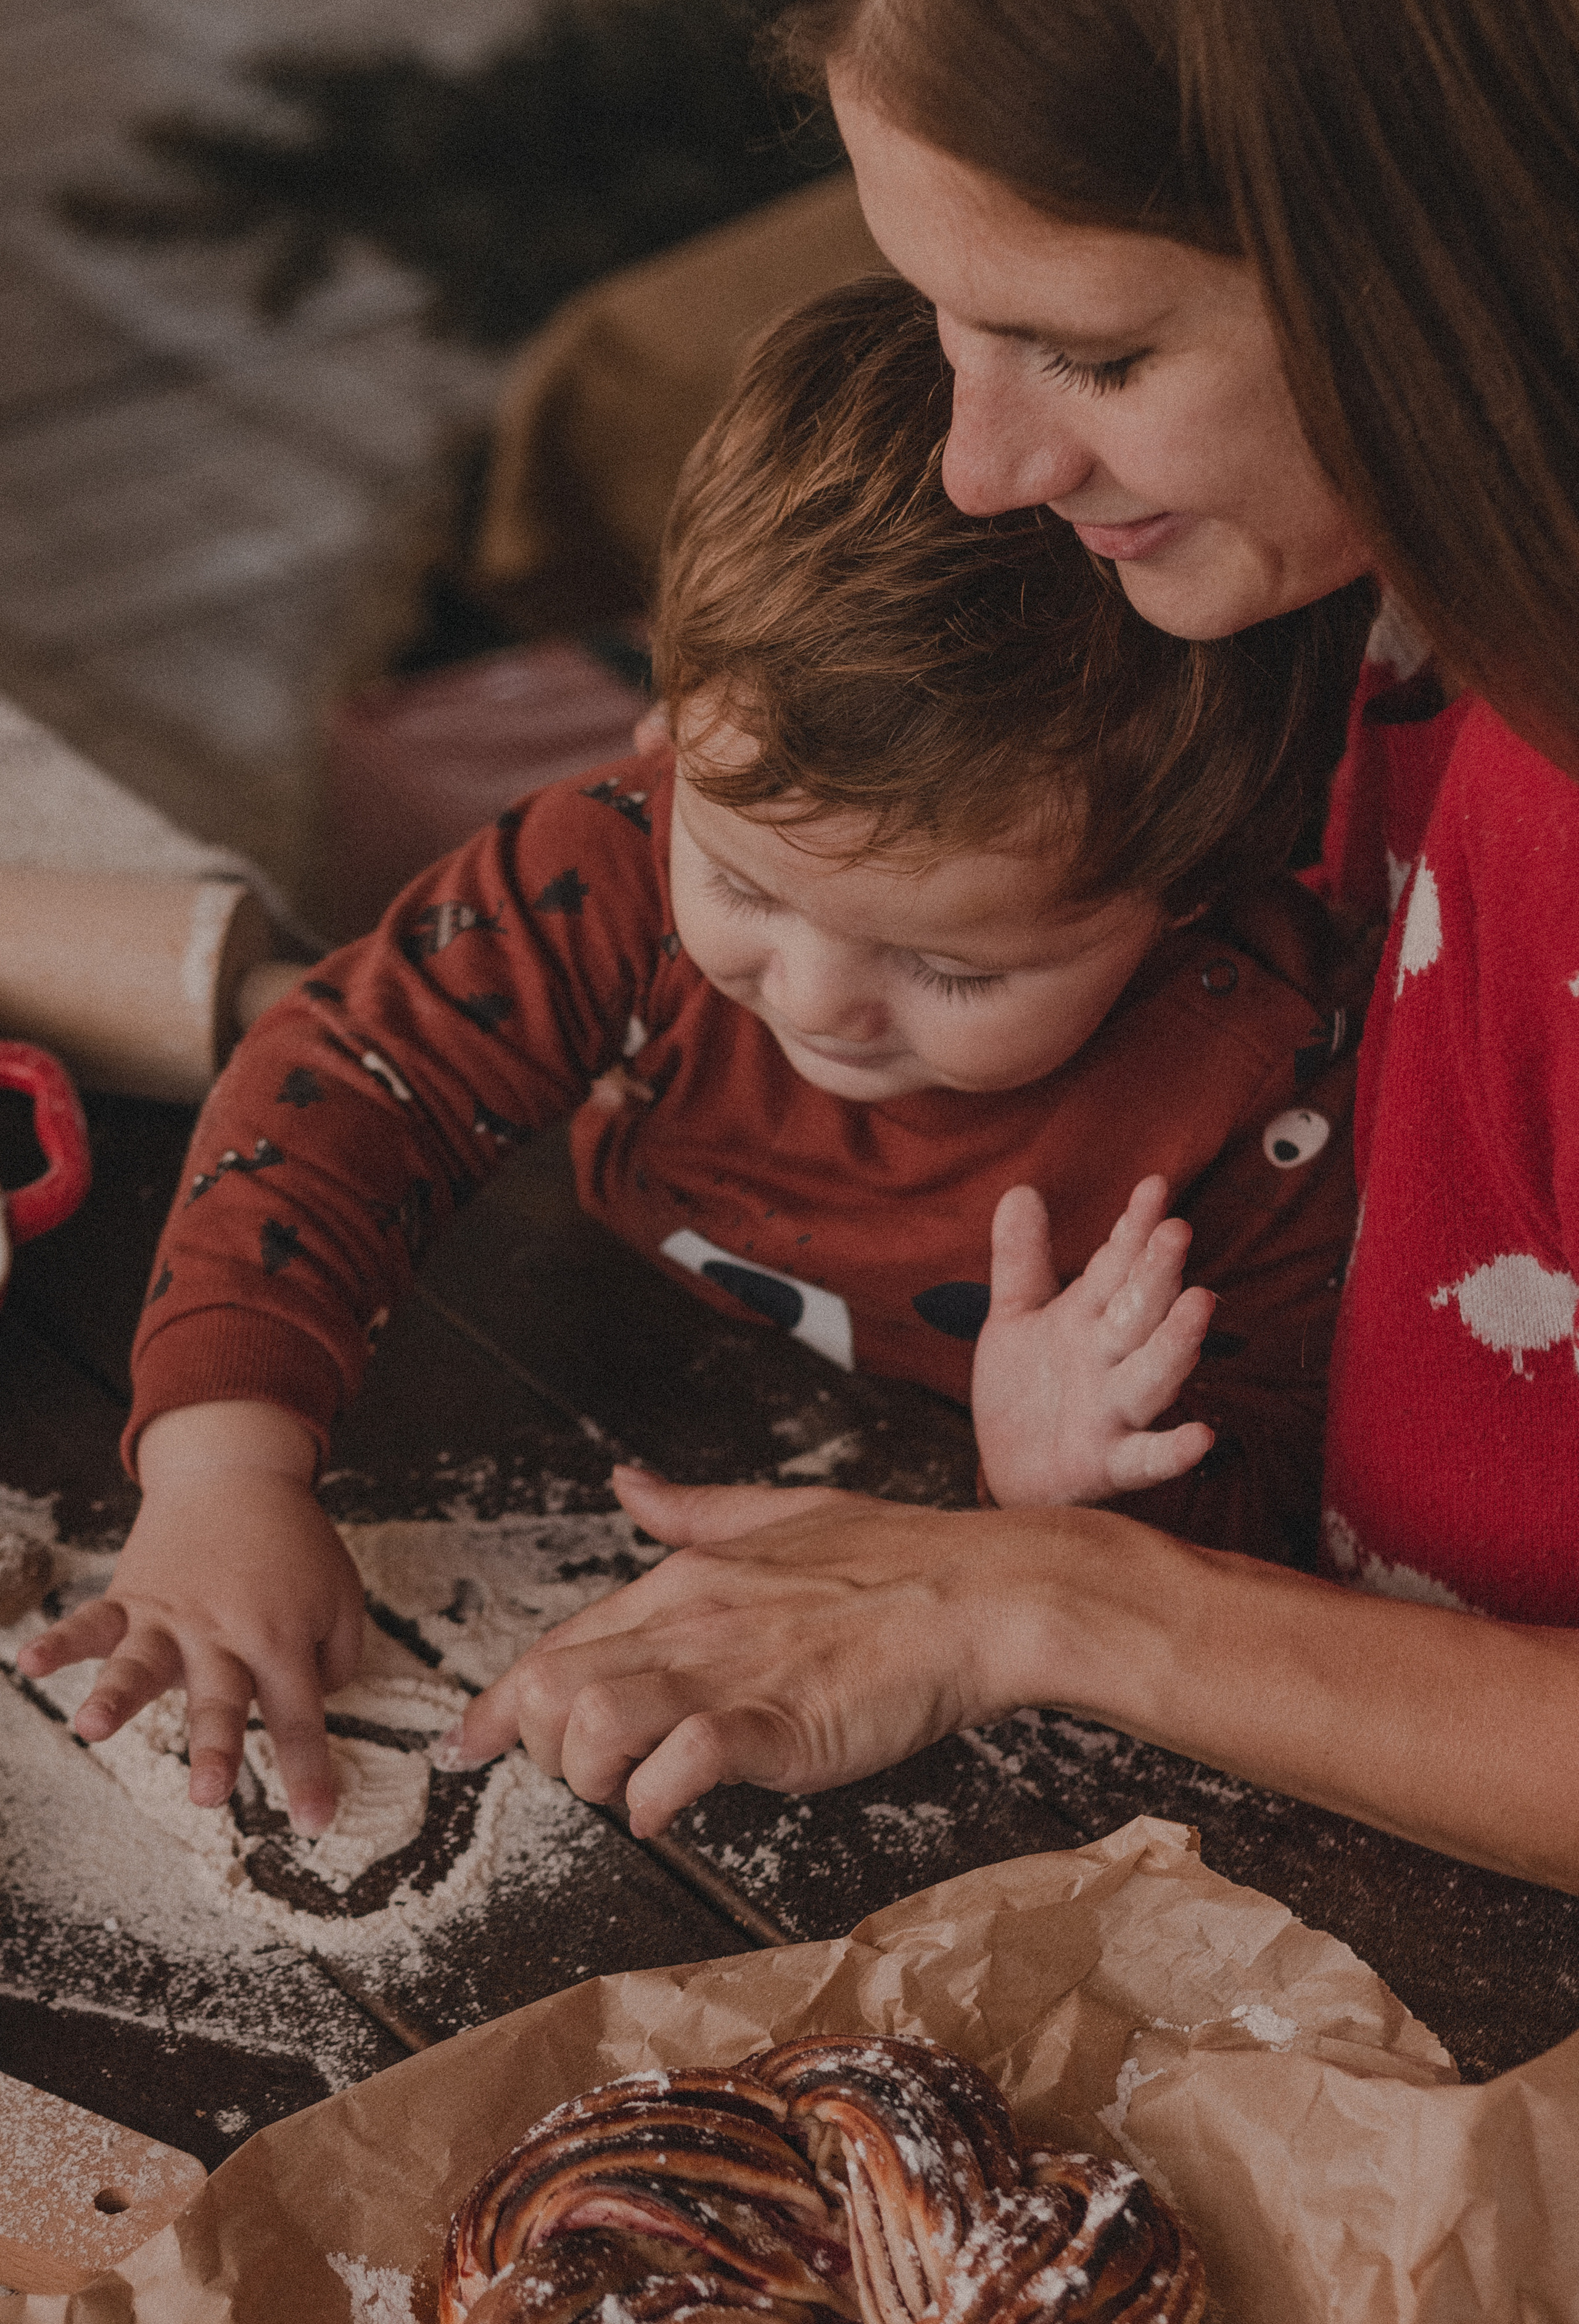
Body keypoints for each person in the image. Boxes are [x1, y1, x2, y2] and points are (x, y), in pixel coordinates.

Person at [419, 0, 1579, 1895]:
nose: (978, 463)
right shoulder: (1361, 583)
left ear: (1455, 259)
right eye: (947, 320)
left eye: (1095, 356)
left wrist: (1047, 1606)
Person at [15, 277, 1374, 1836]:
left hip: (930, 1663)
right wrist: (221, 1470)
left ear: (1194, 879)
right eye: (740, 886)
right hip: (587, 1378)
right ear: (667, 725)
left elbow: (1268, 1555)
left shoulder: (1265, 1100)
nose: (811, 996)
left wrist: (1074, 1493)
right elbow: (354, 1086)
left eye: (948, 966)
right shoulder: (616, 848)